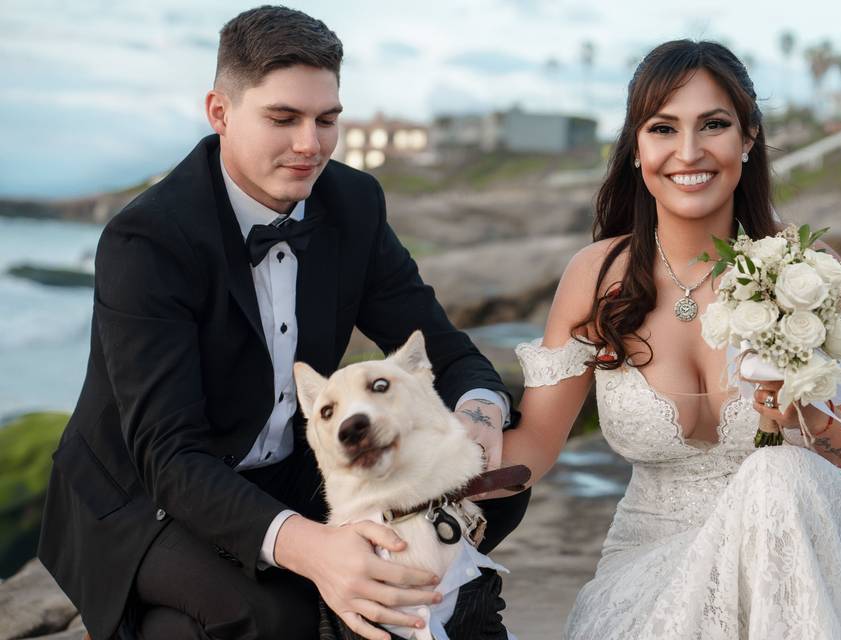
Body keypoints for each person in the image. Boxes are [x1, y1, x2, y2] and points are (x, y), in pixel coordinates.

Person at [37, 6, 528, 640]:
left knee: (494, 491)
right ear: (219, 113)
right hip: (145, 493)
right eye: (283, 118)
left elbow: (448, 351)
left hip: (292, 465)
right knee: (277, 616)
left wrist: (479, 417)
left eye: (327, 120)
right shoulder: (146, 241)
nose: (310, 145)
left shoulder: (352, 203)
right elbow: (170, 455)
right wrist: (315, 549)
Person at [501, 40, 841, 638]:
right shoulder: (596, 276)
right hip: (652, 571)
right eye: (663, 128)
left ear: (747, 138)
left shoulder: (806, 274)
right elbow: (535, 446)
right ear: (637, 148)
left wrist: (807, 419)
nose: (688, 152)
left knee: (778, 475)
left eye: (714, 125)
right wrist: (434, 459)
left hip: (801, 560)